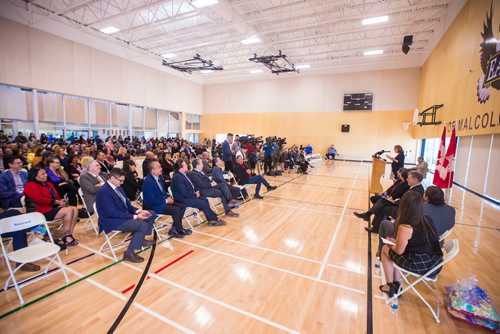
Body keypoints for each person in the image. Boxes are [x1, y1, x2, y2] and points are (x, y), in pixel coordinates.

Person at [379, 192, 443, 297]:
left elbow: (399, 251)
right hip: (435, 262)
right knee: (395, 251)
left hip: (421, 265)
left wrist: (391, 244)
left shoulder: (405, 227)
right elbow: (416, 241)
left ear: (403, 207)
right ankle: (397, 283)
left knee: (386, 249)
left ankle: (390, 285)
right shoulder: (427, 220)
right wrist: (396, 242)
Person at [95, 168, 157, 263]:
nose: (122, 183)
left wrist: (139, 211)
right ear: (112, 178)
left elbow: (127, 205)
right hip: (111, 220)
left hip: (122, 215)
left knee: (151, 213)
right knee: (142, 225)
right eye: (121, 181)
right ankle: (129, 253)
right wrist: (135, 217)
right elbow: (113, 213)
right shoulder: (104, 192)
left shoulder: (118, 187)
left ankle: (141, 239)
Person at [376, 185, 456, 258]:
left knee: (385, 224)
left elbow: (400, 225)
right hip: (437, 244)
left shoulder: (420, 208)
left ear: (426, 197)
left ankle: (381, 253)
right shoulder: (451, 210)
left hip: (416, 245)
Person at [24, 166, 79, 246]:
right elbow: (39, 200)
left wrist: (61, 201)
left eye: (45, 173)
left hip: (51, 208)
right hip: (40, 212)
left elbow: (56, 196)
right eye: (42, 174)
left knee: (75, 209)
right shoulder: (30, 185)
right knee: (69, 210)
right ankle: (66, 235)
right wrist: (56, 202)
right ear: (35, 176)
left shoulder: (48, 184)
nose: (45, 175)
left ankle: (68, 234)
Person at [142, 161, 190, 238]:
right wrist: (166, 201)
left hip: (162, 201)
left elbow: (162, 192)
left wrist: (167, 197)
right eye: (159, 167)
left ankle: (175, 228)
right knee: (175, 210)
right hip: (153, 206)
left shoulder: (160, 177)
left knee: (182, 205)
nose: (161, 169)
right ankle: (178, 229)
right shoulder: (148, 182)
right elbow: (151, 200)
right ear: (152, 170)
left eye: (160, 167)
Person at [170, 159, 226, 226]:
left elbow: (190, 186)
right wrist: (195, 195)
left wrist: (196, 192)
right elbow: (184, 192)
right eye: (185, 165)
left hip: (188, 196)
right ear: (181, 167)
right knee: (202, 203)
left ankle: (212, 218)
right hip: (182, 199)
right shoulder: (177, 177)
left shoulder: (183, 174)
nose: (187, 165)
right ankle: (212, 219)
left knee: (204, 199)